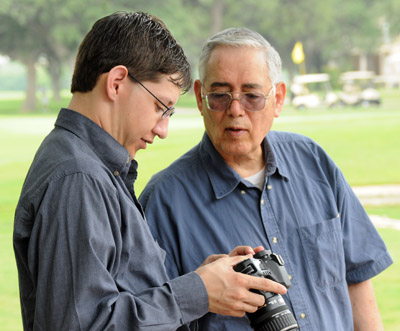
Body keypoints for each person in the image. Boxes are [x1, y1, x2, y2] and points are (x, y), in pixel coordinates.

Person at [13, 14, 288, 331]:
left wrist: (204, 284)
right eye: (162, 107)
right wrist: (196, 292)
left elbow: (119, 298)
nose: (163, 130)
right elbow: (83, 325)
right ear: (116, 82)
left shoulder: (95, 169)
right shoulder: (78, 178)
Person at [139, 27, 393, 331]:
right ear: (199, 97)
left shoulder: (313, 161)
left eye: (252, 96)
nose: (235, 110)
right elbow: (148, 316)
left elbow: (357, 280)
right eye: (219, 96)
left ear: (279, 99)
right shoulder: (164, 200)